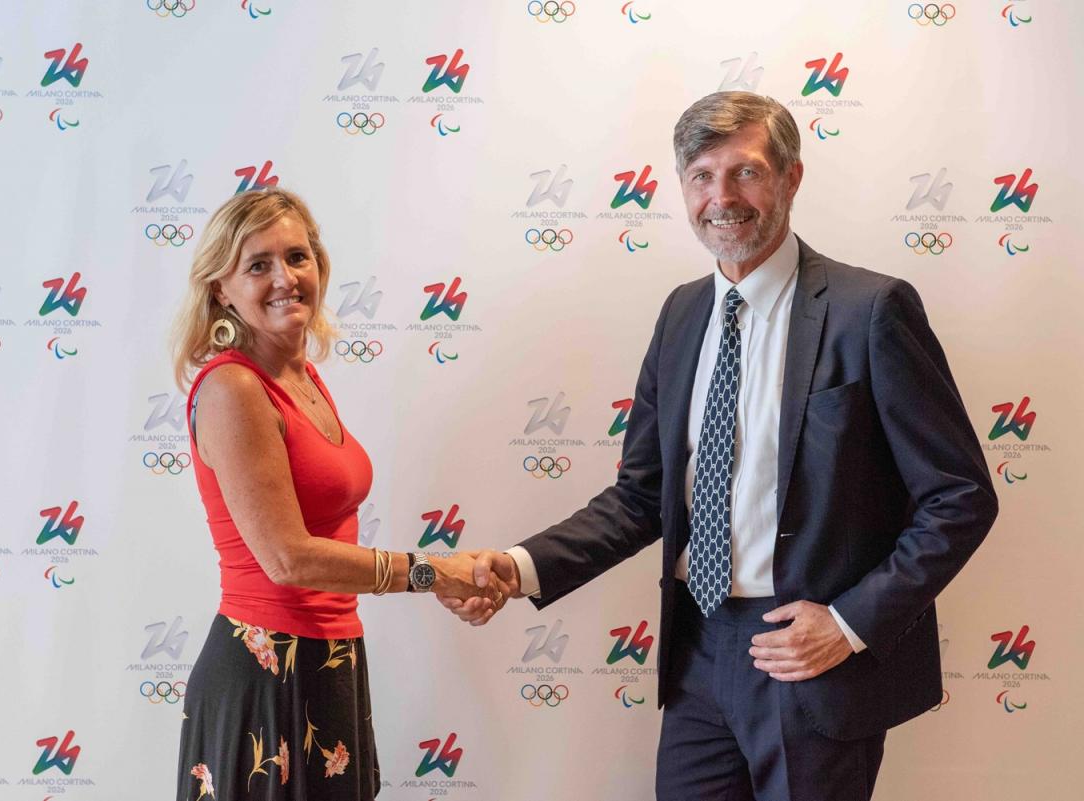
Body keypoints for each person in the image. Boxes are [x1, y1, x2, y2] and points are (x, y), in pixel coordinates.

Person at [443, 92, 998, 800]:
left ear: (791, 178)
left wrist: (850, 623)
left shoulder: (871, 311)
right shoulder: (680, 314)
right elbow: (642, 496)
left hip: (811, 660)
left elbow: (960, 496)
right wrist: (517, 566)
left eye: (746, 172)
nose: (722, 197)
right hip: (697, 653)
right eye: (702, 175)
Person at [170, 188, 501, 801]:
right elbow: (288, 558)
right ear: (222, 288)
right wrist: (436, 572)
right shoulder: (234, 388)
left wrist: (450, 576)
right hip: (266, 672)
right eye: (258, 265)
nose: (284, 279)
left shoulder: (300, 375)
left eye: (297, 257)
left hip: (331, 659)